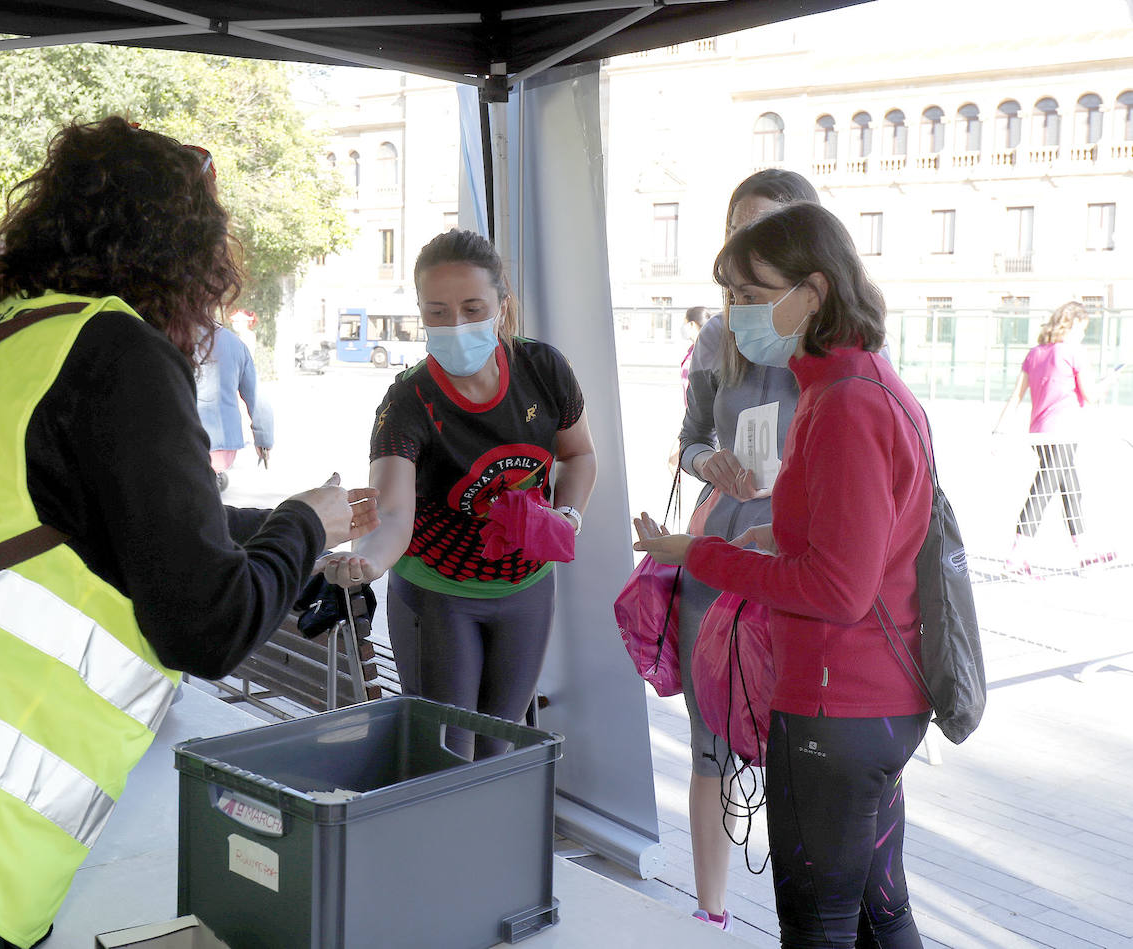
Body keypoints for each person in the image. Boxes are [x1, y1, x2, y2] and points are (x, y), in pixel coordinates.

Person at [0, 116, 377, 949]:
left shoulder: (3, 342)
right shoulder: (122, 352)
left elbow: (87, 518)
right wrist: (307, 523)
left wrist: (277, 527)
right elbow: (206, 624)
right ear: (183, 251)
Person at [635, 201, 934, 948]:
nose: (737, 314)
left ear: (816, 290)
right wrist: (784, 533)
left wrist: (695, 554)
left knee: (820, 928)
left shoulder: (843, 404)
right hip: (870, 702)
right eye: (731, 295)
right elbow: (864, 540)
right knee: (878, 911)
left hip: (839, 705)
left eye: (752, 294)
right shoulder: (852, 381)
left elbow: (839, 590)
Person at [320, 229, 597, 760]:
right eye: (438, 312)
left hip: (526, 589)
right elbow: (394, 512)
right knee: (447, 754)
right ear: (420, 313)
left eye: (473, 308)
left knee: (502, 748)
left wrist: (568, 515)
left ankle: (491, 844)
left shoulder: (544, 369)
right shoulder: (407, 401)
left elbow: (579, 455)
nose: (456, 325)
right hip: (439, 595)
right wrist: (368, 562)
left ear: (502, 306)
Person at [671, 168, 820, 933]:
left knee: (798, 750)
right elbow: (692, 438)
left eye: (767, 232)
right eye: (739, 231)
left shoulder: (835, 344)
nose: (749, 250)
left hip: (799, 565)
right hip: (719, 553)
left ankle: (808, 917)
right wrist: (708, 463)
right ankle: (710, 914)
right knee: (710, 745)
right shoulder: (715, 334)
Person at [993, 301, 1111, 571]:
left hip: (1039, 434)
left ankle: (1083, 550)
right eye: (1081, 329)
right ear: (1071, 325)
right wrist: (1105, 385)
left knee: (1071, 488)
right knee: (1043, 489)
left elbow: (1016, 396)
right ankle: (1016, 555)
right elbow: (1091, 395)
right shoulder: (1072, 353)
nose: (1082, 335)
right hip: (1063, 433)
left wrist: (998, 431)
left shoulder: (1034, 354)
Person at [195, 319, 273, 489]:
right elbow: (256, 395)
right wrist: (264, 438)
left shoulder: (175, 337)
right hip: (224, 446)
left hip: (187, 440)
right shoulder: (235, 343)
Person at [678, 304, 711, 394]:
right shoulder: (693, 351)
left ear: (692, 324)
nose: (683, 327)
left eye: (685, 323)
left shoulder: (704, 354)